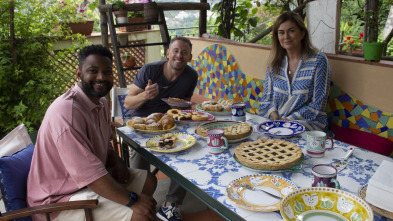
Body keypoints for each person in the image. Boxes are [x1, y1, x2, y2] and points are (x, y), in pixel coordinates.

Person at [26, 45, 157, 221]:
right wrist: (133, 201)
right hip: (58, 200)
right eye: (93, 71)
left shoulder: (101, 103)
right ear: (79, 74)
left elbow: (101, 146)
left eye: (107, 72)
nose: (101, 77)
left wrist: (116, 160)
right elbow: (91, 177)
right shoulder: (67, 112)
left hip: (87, 182)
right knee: (141, 214)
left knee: (149, 181)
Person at [124, 36, 198, 221]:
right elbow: (127, 103)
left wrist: (188, 110)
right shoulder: (150, 70)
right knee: (138, 152)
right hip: (142, 123)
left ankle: (171, 205)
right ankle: (137, 200)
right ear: (167, 53)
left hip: (169, 123)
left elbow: (183, 105)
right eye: (175, 50)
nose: (179, 55)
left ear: (190, 56)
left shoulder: (191, 76)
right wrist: (145, 96)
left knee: (187, 149)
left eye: (184, 52)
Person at [258, 11, 332, 131]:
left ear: (302, 34)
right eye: (281, 32)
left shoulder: (318, 61)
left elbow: (317, 105)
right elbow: (266, 100)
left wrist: (288, 121)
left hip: (308, 126)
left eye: (291, 31)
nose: (286, 37)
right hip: (277, 126)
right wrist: (276, 118)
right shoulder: (274, 63)